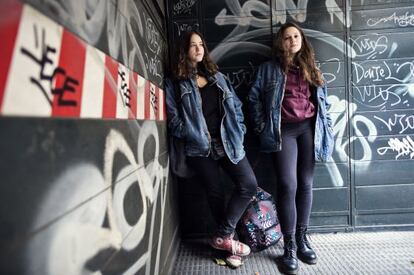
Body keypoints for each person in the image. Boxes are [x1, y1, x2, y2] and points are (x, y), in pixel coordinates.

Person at [165, 30, 258, 268]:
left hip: (228, 142)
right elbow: (174, 122)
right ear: (183, 51)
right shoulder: (174, 83)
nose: (198, 49)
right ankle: (231, 246)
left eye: (201, 45)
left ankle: (223, 236)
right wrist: (193, 133)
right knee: (215, 193)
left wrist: (240, 130)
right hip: (200, 147)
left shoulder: (217, 76)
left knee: (248, 184)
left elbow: (235, 105)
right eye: (193, 45)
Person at [248, 22, 334, 274]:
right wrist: (263, 125)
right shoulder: (269, 69)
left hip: (308, 129)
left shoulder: (310, 67)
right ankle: (289, 247)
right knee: (288, 185)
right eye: (287, 37)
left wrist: (325, 125)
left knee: (306, 184)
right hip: (283, 131)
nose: (292, 40)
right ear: (281, 42)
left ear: (302, 40)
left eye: (296, 36)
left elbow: (323, 101)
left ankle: (302, 239)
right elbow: (253, 99)